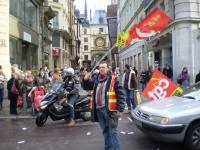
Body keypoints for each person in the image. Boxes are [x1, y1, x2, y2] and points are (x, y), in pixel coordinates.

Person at [82, 61, 125, 150]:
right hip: (99, 110)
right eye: (100, 67)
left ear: (108, 69)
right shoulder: (96, 79)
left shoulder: (113, 79)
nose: (101, 69)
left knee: (113, 132)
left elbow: (121, 94)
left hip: (109, 110)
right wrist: (85, 80)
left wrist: (120, 109)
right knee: (105, 131)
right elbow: (87, 87)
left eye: (103, 67)